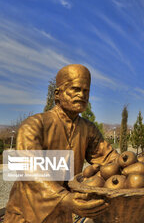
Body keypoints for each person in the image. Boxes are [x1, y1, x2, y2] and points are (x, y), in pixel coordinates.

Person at [4, 64, 119, 223]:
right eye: (76, 89)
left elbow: (110, 160)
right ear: (57, 94)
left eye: (86, 91)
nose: (81, 94)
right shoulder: (34, 125)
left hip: (63, 216)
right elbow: (28, 169)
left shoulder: (88, 129)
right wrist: (64, 198)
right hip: (27, 216)